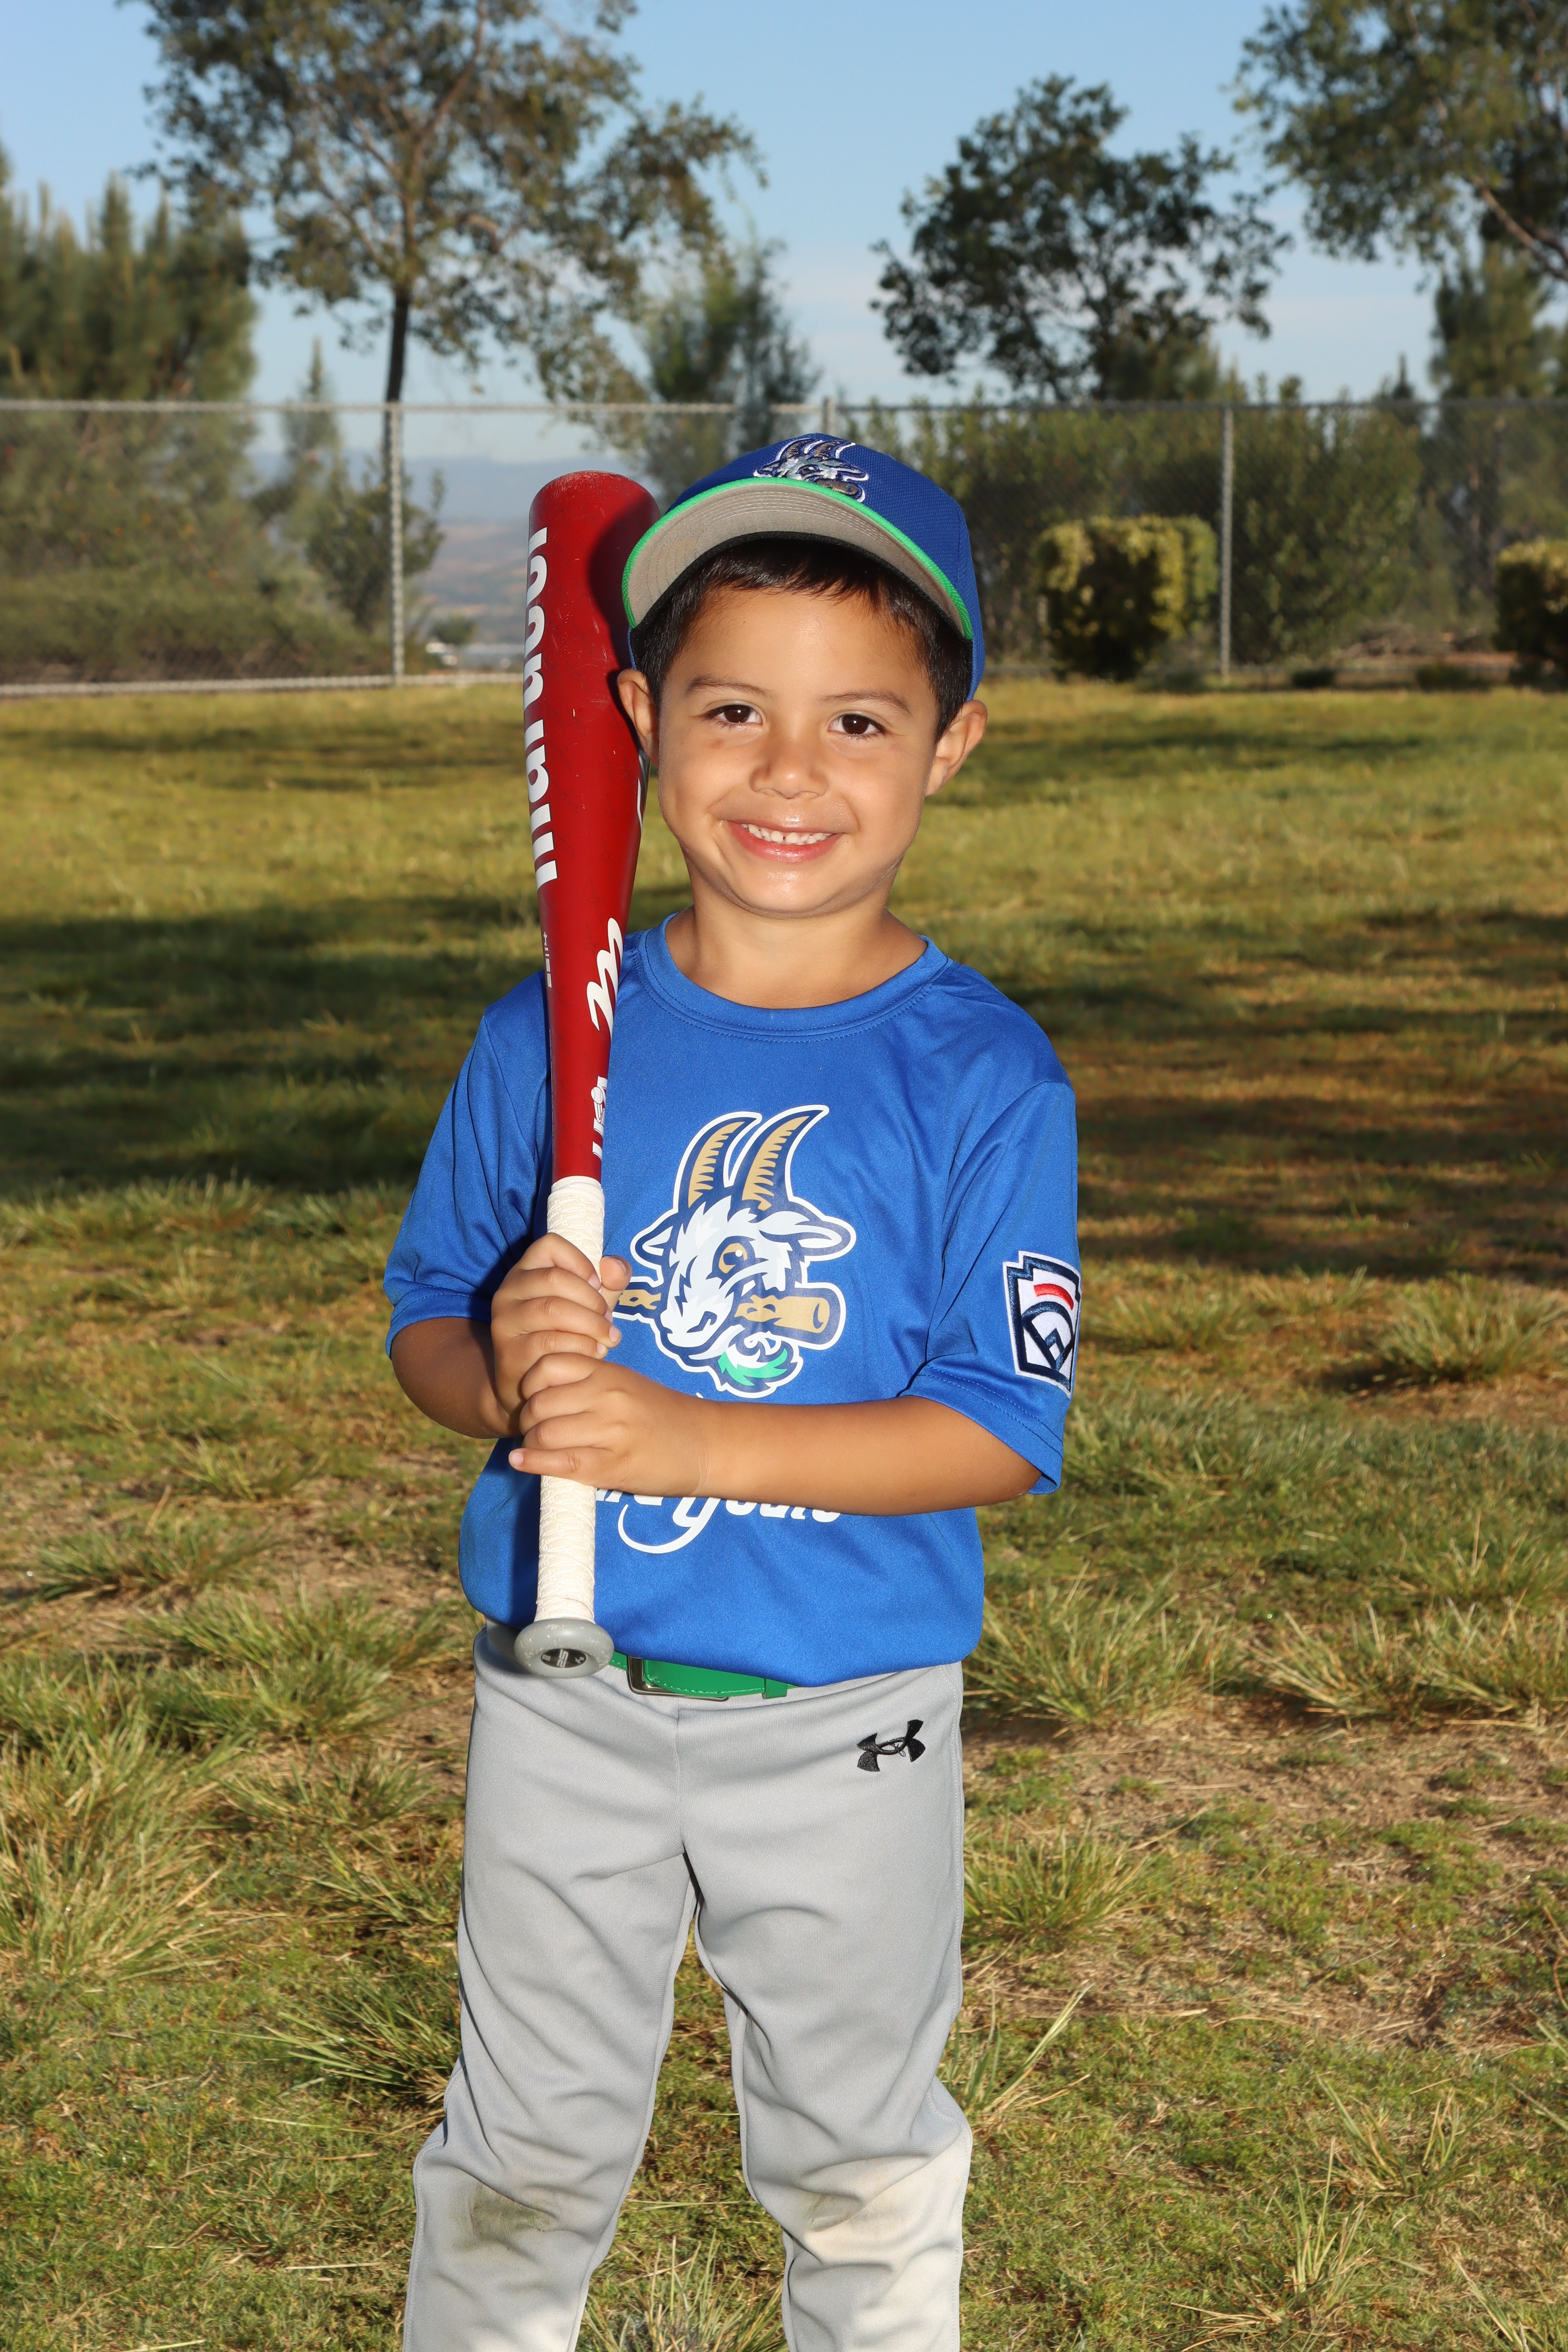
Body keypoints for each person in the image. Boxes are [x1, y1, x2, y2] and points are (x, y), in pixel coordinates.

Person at [385, 434, 1080, 2352]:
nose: (788, 769)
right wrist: (501, 1368)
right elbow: (426, 1321)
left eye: (857, 719)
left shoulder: (982, 1077)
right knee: (520, 2156)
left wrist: (685, 1438)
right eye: (730, 709)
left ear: (949, 746)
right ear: (637, 723)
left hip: (847, 1712)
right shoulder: (548, 1032)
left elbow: (996, 1432)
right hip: (562, 1695)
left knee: (854, 2162)